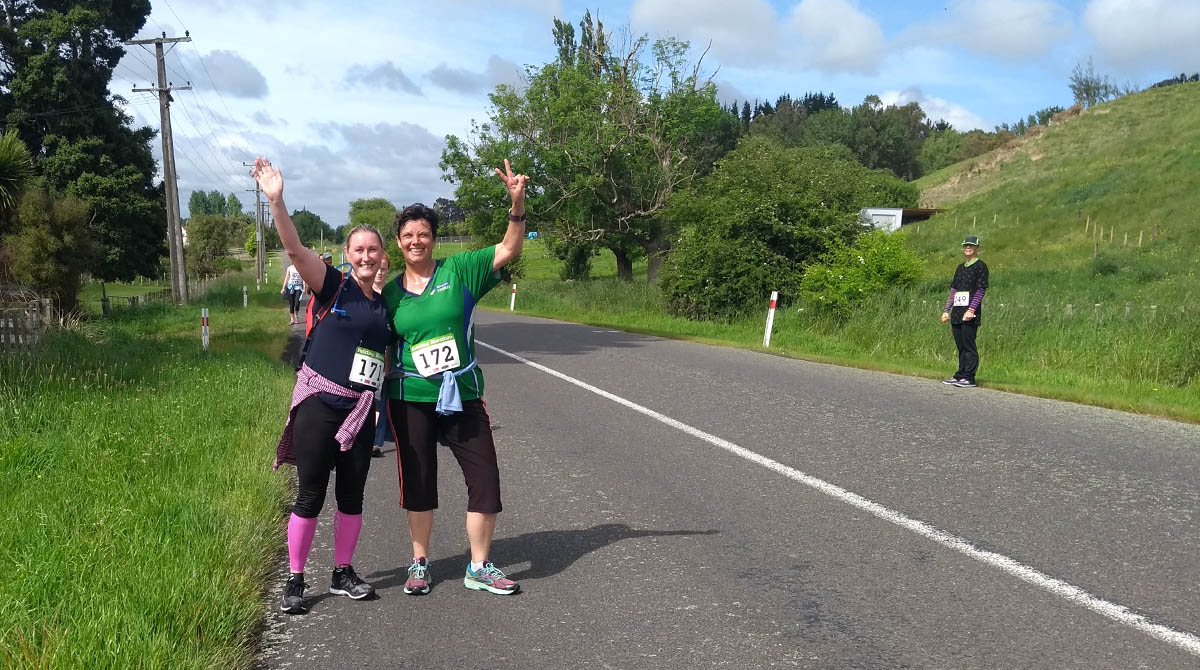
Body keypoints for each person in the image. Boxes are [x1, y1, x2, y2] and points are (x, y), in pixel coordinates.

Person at [382, 159, 528, 596]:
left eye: (424, 233)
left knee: (485, 478)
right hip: (410, 398)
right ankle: (420, 562)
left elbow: (509, 248)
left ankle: (479, 566)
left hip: (461, 393)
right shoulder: (390, 294)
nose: (416, 240)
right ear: (399, 242)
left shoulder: (459, 271)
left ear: (434, 238)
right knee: (419, 480)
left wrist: (516, 205)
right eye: (409, 235)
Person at [253, 157, 392, 615]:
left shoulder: (386, 306)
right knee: (310, 494)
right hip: (320, 404)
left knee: (352, 496)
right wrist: (277, 201)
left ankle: (342, 573)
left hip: (361, 411)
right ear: (348, 254)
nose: (366, 256)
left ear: (382, 255)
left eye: (373, 250)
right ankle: (295, 580)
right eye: (359, 250)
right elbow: (295, 251)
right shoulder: (334, 286)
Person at [941, 236, 989, 388]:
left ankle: (969, 377)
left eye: (971, 246)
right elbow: (953, 290)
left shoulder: (981, 267)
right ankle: (960, 374)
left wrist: (971, 309)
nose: (968, 248)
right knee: (960, 345)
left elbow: (981, 290)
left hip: (969, 313)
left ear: (977, 248)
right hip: (957, 311)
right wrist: (946, 310)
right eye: (966, 246)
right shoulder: (960, 268)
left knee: (969, 345)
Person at [371, 254, 392, 458]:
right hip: (366, 355)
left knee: (380, 398)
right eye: (377, 268)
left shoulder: (390, 296)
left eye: (384, 269)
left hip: (385, 354)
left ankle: (375, 442)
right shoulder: (363, 293)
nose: (379, 273)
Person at [280, 261, 306, 325]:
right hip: (290, 287)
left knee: (297, 303)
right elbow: (286, 278)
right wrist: (283, 288)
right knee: (292, 303)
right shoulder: (289, 268)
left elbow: (304, 279)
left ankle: (296, 316)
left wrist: (304, 288)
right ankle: (292, 319)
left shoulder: (301, 268)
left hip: (298, 287)